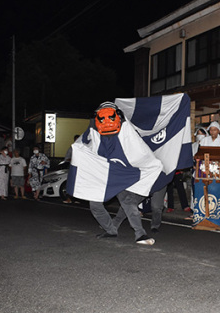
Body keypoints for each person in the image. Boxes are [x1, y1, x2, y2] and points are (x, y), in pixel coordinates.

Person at [74, 101, 160, 245]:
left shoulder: (127, 128)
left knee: (127, 202)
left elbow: (138, 146)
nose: (107, 121)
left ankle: (140, 234)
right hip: (102, 173)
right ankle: (111, 229)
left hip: (121, 173)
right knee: (95, 204)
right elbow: (81, 143)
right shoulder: (93, 129)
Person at [63, 135, 80, 203]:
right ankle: (69, 198)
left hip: (80, 169)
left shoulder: (83, 148)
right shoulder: (72, 148)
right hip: (72, 168)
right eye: (75, 140)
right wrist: (71, 159)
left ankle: (77, 199)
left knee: (78, 184)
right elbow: (66, 158)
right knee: (70, 183)